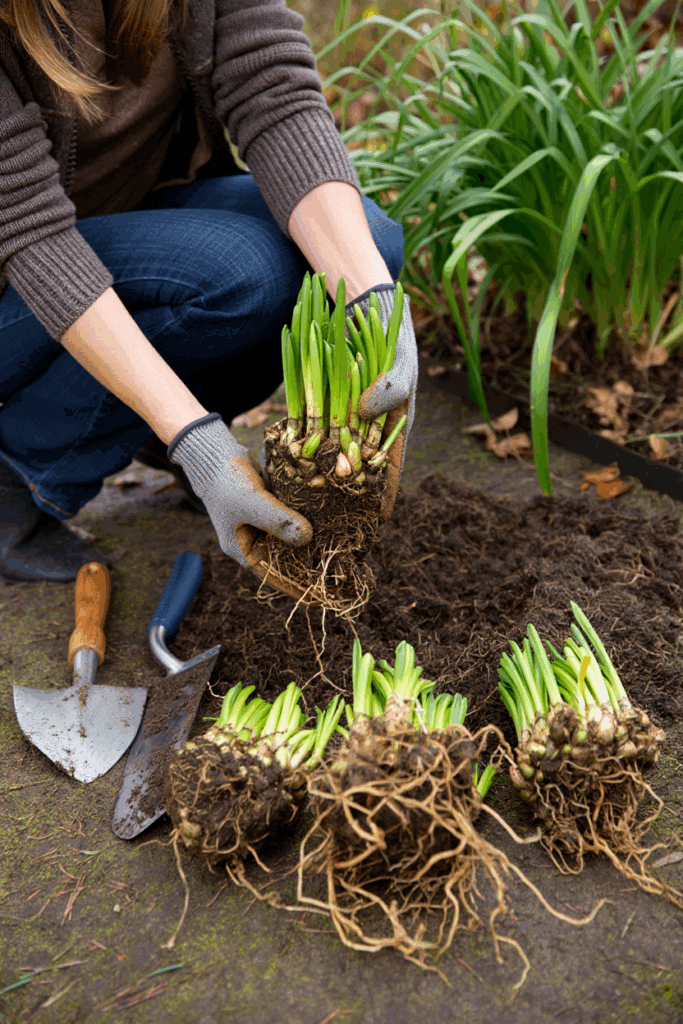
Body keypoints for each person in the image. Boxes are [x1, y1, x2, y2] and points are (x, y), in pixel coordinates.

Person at [0, 0, 417, 584]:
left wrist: (378, 307)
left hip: (133, 219)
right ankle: (19, 473)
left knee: (363, 248)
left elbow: (273, 90)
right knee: (245, 275)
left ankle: (153, 436)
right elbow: (31, 236)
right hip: (18, 273)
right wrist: (197, 445)